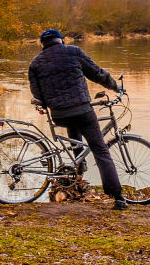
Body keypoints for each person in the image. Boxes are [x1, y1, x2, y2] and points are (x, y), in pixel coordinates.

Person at [28, 29, 127, 210]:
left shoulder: (35, 63)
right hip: (82, 110)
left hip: (59, 115)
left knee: (73, 126)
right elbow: (97, 73)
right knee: (100, 149)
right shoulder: (73, 52)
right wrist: (115, 86)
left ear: (42, 44)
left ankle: (79, 166)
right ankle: (118, 197)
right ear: (61, 40)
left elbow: (38, 94)